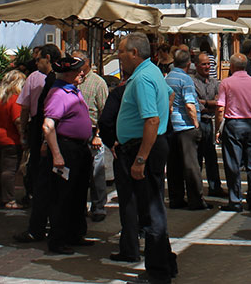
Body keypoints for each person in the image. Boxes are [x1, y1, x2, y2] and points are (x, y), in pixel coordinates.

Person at [115, 33, 177, 284]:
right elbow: (170, 95)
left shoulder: (142, 78)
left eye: (120, 52)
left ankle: (158, 272)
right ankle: (165, 263)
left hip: (144, 148)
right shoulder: (151, 72)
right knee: (154, 210)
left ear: (134, 53)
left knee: (151, 212)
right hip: (147, 144)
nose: (118, 57)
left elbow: (151, 120)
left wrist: (140, 158)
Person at [42, 52, 92, 255]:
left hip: (78, 149)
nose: (82, 74)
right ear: (68, 73)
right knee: (62, 197)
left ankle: (75, 234)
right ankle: (58, 240)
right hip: (67, 149)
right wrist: (57, 155)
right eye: (78, 71)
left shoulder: (72, 90)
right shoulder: (58, 93)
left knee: (78, 194)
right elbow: (48, 126)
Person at [14, 44, 59, 243]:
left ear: (47, 58)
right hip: (44, 133)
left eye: (39, 58)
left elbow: (41, 112)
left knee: (42, 180)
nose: (36, 62)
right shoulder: (51, 79)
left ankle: (39, 226)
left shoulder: (52, 81)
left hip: (44, 134)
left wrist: (39, 139)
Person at [216, 53, 251, 213]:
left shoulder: (226, 82)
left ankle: (235, 201)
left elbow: (221, 108)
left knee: (233, 163)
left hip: (233, 123)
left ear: (232, 66)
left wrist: (218, 128)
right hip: (250, 123)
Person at [99, 77, 139, 263]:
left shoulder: (119, 94)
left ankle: (131, 246)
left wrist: (112, 142)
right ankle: (148, 239)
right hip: (148, 150)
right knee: (150, 201)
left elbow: (105, 121)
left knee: (129, 201)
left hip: (125, 150)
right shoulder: (153, 90)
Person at [165, 48, 206, 211]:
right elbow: (189, 104)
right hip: (186, 126)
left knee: (174, 165)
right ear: (189, 64)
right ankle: (195, 200)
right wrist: (196, 123)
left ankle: (176, 198)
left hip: (172, 126)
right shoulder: (186, 79)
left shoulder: (168, 78)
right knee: (191, 166)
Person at [72, 50, 109, 223]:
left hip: (93, 132)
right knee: (77, 173)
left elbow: (104, 112)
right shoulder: (71, 80)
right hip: (74, 133)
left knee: (96, 173)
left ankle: (98, 206)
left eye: (78, 60)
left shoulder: (98, 83)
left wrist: (98, 135)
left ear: (87, 62)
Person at [0, 69, 25, 209]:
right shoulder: (15, 99)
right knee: (9, 170)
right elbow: (18, 120)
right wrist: (23, 138)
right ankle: (9, 199)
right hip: (10, 139)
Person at [190, 52, 223, 198]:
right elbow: (197, 104)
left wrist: (207, 103)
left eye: (209, 64)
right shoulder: (192, 82)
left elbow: (220, 102)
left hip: (210, 122)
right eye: (203, 64)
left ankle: (215, 187)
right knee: (196, 159)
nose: (207, 67)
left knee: (211, 158)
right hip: (198, 123)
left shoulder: (214, 82)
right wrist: (209, 104)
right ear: (196, 65)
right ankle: (196, 191)